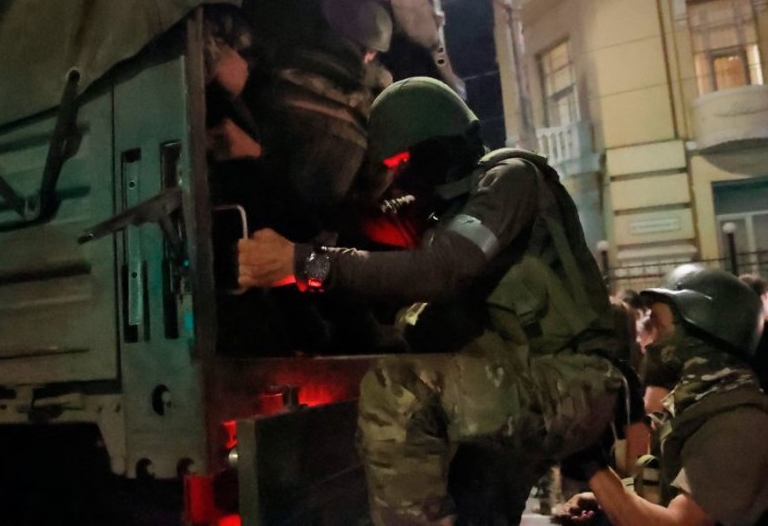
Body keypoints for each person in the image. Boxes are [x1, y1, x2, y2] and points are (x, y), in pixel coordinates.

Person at [237, 77, 640, 525]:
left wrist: (306, 264)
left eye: (402, 162)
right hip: (525, 380)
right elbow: (378, 241)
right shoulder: (447, 211)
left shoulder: (511, 179)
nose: (398, 176)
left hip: (571, 380)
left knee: (399, 390)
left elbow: (443, 269)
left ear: (435, 142)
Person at [554, 265, 768, 526]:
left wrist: (591, 464)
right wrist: (604, 500)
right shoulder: (694, 409)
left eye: (657, 326)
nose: (648, 342)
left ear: (699, 333)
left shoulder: (738, 426)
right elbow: (658, 494)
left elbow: (676, 523)